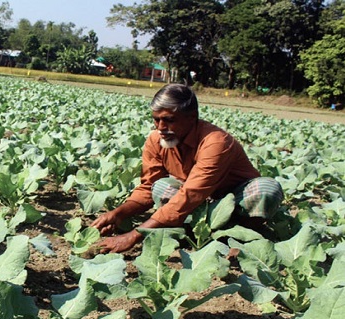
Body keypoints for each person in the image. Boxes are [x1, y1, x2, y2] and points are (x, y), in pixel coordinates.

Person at [90, 84, 284, 253]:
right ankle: (193, 233)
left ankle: (241, 240)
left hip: (234, 203)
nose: (161, 127)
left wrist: (134, 235)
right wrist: (118, 214)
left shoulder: (215, 142)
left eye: (169, 120)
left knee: (267, 190)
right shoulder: (156, 140)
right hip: (198, 206)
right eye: (156, 119)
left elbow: (190, 195)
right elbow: (148, 188)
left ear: (192, 117)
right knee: (160, 187)